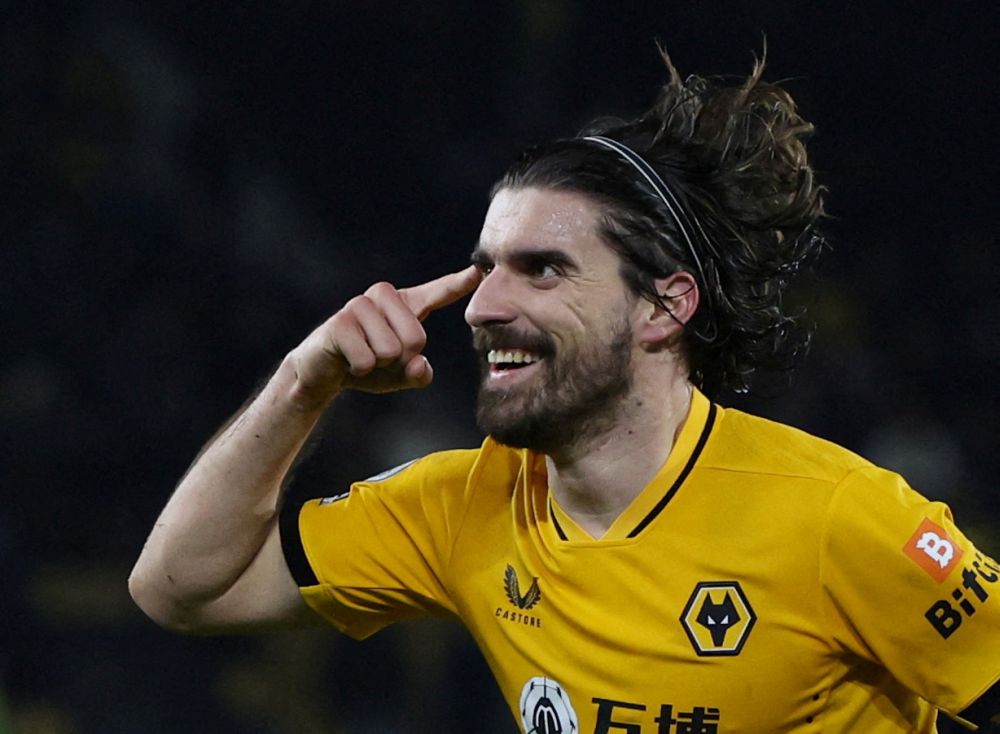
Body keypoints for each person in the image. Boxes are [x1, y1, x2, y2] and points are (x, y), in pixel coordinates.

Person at [129, 51, 1000, 733]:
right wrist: (301, 382)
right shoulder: (460, 506)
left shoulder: (839, 518)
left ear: (664, 305)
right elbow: (179, 588)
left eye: (542, 270)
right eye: (485, 271)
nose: (487, 306)